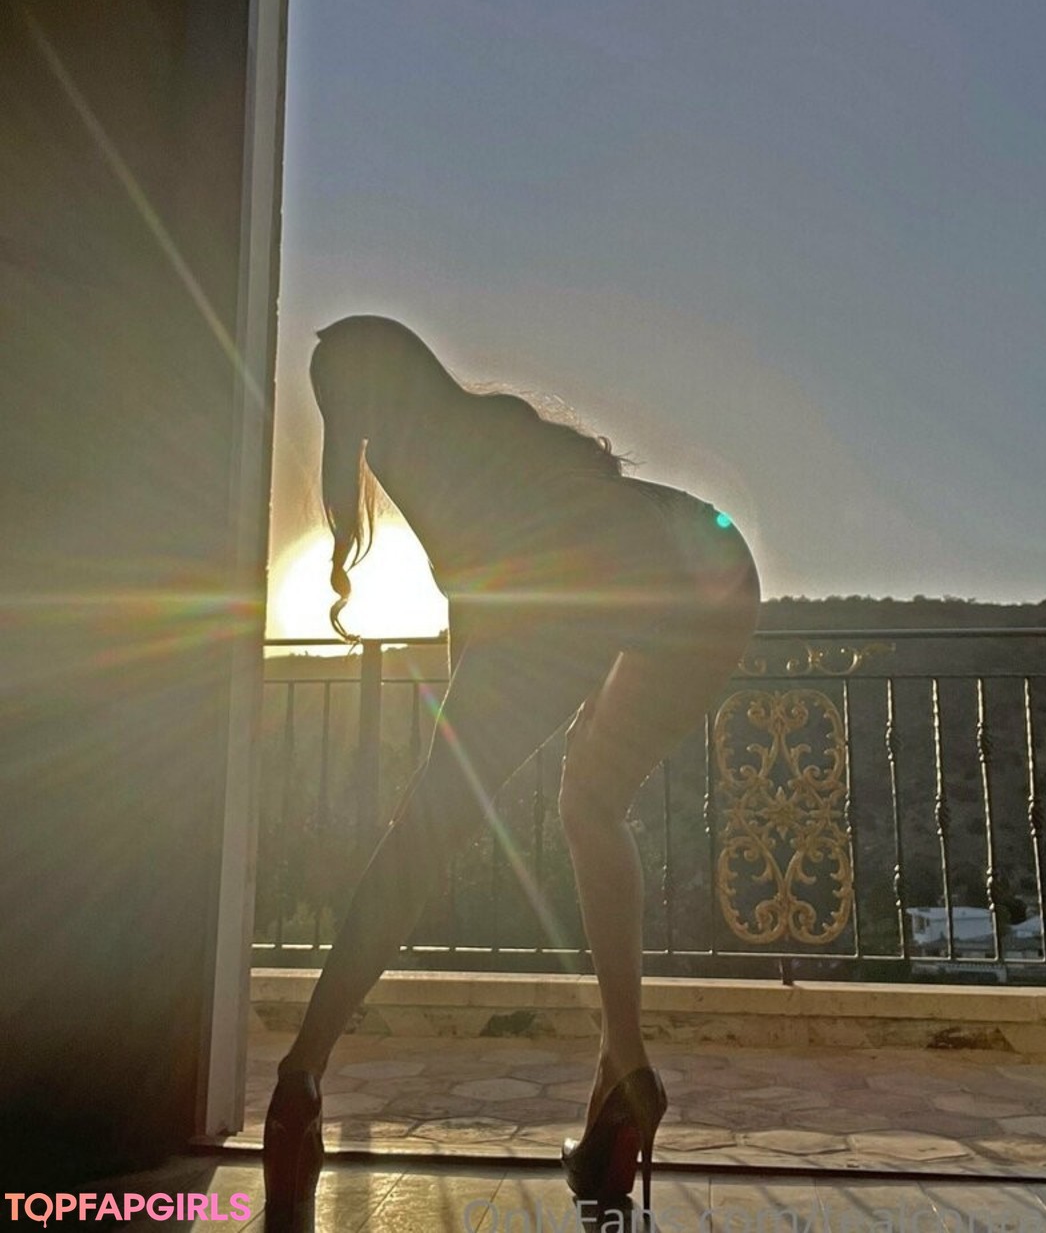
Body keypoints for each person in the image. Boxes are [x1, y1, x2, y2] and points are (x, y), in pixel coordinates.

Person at [263, 315, 760, 1227]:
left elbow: (482, 596)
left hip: (578, 591)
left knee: (421, 840)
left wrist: (457, 754)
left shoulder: (405, 454)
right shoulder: (493, 424)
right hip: (712, 564)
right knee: (591, 801)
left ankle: (301, 1078)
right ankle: (623, 1071)